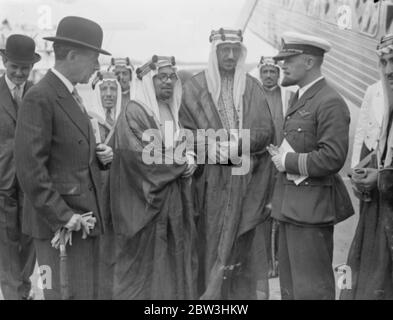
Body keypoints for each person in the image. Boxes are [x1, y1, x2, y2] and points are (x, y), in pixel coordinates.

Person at [14, 16, 113, 300]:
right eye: (94, 59)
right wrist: (63, 216)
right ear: (72, 55)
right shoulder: (40, 97)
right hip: (61, 226)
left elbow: (67, 152)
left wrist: (99, 157)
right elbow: (30, 168)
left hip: (83, 222)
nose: (97, 67)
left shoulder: (69, 95)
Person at [180, 28, 275, 300]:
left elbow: (265, 132)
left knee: (241, 247)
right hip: (207, 184)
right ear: (215, 53)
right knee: (209, 242)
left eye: (236, 50)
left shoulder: (253, 87)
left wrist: (238, 145)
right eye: (225, 50)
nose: (231, 55)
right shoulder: (194, 88)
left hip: (247, 182)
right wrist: (209, 147)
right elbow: (183, 134)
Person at [269, 31, 353, 300]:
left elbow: (332, 157)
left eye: (288, 59)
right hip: (291, 208)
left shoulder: (329, 101)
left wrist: (287, 161)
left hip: (311, 212)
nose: (282, 65)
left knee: (312, 292)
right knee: (291, 290)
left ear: (308, 62)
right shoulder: (300, 97)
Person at [110, 56, 198, 300]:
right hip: (144, 207)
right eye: (162, 77)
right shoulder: (135, 110)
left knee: (172, 267)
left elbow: (181, 143)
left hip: (174, 203)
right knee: (145, 276)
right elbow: (144, 158)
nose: (168, 82)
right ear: (149, 80)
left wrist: (190, 154)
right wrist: (183, 162)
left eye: (172, 77)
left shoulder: (172, 109)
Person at [341, 34, 393, 300]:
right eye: (384, 62)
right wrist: (355, 171)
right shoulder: (375, 90)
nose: (389, 70)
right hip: (377, 176)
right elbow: (362, 131)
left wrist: (382, 177)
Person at [0, 34, 40, 300]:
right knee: (5, 241)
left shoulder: (38, 95)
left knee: (29, 237)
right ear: (4, 61)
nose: (19, 72)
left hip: (30, 181)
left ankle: (23, 288)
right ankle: (14, 294)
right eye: (14, 66)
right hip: (1, 183)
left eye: (25, 68)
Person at [87, 71, 122, 300]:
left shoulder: (125, 119)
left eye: (113, 89)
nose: (108, 94)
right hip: (96, 194)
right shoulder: (87, 118)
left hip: (120, 194)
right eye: (104, 89)